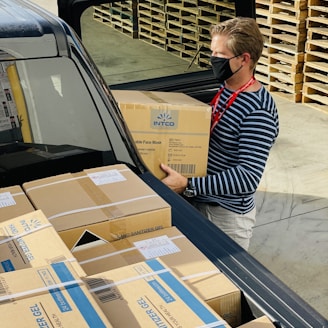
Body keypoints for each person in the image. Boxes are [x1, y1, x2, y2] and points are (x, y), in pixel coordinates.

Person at [160, 17, 279, 251]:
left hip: (224, 216)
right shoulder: (227, 87)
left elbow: (247, 177)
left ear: (244, 59)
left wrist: (188, 184)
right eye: (212, 52)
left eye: (220, 56)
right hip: (201, 200)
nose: (213, 60)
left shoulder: (258, 111)